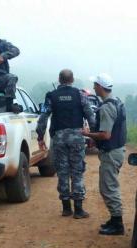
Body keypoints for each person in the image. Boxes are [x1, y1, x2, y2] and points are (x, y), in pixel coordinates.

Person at [36, 69, 96, 219]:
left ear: (59, 79)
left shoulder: (51, 96)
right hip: (76, 137)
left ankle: (66, 208)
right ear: (72, 79)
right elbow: (90, 115)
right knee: (77, 171)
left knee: (62, 171)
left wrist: (40, 136)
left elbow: (43, 117)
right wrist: (95, 134)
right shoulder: (80, 95)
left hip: (59, 138)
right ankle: (79, 209)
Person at [82, 73, 127, 235]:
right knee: (108, 186)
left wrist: (87, 134)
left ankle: (118, 224)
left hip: (111, 152)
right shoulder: (117, 102)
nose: (94, 87)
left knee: (108, 188)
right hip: (116, 150)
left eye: (95, 85)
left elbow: (106, 135)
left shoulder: (107, 107)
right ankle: (114, 220)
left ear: (100, 87)